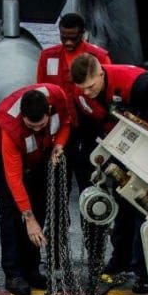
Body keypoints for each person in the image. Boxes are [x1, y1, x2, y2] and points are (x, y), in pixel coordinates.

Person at [67, 53, 148, 288]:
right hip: (123, 149)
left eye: (91, 86)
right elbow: (90, 125)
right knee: (123, 205)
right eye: (82, 88)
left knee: (145, 211)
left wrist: (138, 116)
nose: (87, 92)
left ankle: (144, 271)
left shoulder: (136, 83)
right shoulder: (84, 96)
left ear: (101, 73)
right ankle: (120, 260)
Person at [0, 84, 73, 295]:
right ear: (22, 117)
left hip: (40, 153)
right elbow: (14, 179)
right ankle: (13, 273)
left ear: (48, 112)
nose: (35, 128)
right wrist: (29, 218)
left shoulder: (57, 96)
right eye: (30, 125)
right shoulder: (10, 128)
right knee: (12, 214)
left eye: (40, 124)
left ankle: (31, 269)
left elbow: (66, 123)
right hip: (4, 160)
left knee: (40, 205)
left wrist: (59, 144)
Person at [36, 13, 111, 190]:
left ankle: (94, 215)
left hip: (90, 126)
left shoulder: (99, 58)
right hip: (59, 126)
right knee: (58, 182)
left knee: (91, 177)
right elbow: (41, 90)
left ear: (83, 33)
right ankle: (57, 218)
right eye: (64, 38)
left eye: (73, 38)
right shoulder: (48, 57)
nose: (68, 42)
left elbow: (108, 89)